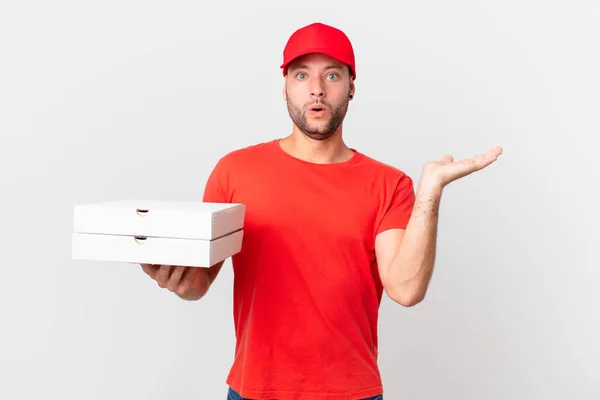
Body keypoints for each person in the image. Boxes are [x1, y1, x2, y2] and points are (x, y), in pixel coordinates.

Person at [141, 22, 502, 400]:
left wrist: (430, 190)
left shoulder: (389, 184)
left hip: (352, 394)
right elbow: (199, 282)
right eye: (302, 75)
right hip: (254, 392)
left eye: (332, 75)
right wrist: (175, 278)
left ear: (351, 87)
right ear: (285, 87)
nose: (317, 88)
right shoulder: (233, 171)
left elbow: (407, 288)